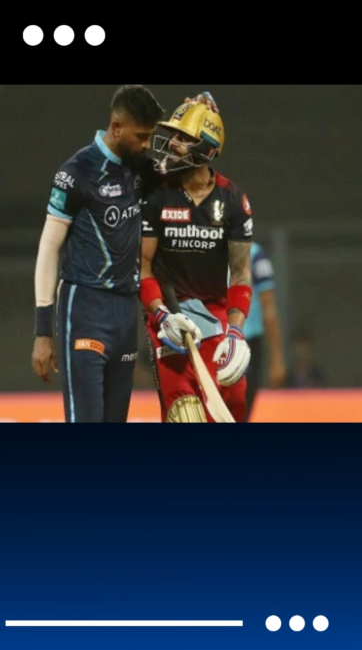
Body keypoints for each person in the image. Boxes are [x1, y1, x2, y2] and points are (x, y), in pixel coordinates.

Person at [31, 84, 165, 422]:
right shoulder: (76, 172)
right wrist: (43, 331)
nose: (147, 144)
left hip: (125, 312)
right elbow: (48, 247)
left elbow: (186, 169)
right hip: (85, 308)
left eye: (151, 136)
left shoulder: (140, 169)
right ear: (117, 127)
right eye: (142, 135)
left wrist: (198, 112)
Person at [140, 100, 254, 423]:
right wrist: (161, 315)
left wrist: (236, 332)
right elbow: (143, 267)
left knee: (234, 401)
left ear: (207, 149)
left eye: (183, 137)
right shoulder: (157, 193)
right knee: (185, 414)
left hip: (214, 317)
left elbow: (241, 273)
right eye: (173, 135)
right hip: (170, 319)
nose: (172, 143)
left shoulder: (233, 200)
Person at [244, 243, 286, 421]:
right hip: (219, 341)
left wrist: (277, 360)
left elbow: (269, 309)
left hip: (247, 341)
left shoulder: (255, 256)